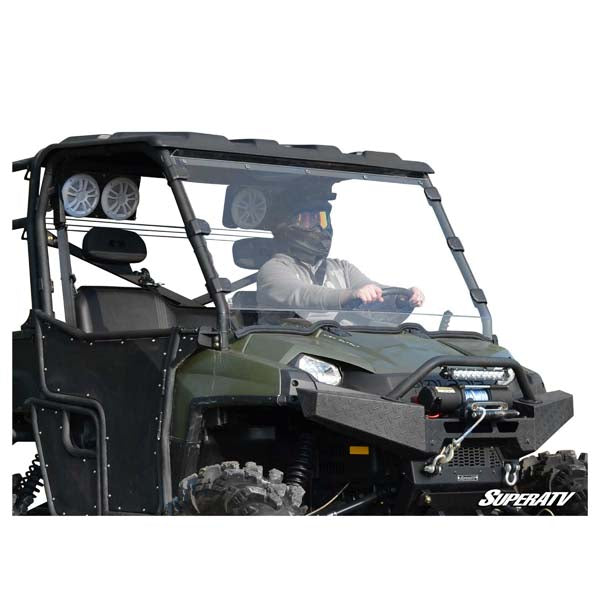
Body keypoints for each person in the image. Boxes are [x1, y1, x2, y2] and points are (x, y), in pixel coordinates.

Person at [257, 201, 424, 312]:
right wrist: (349, 295)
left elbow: (371, 289)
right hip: (286, 347)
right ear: (288, 225)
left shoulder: (341, 268)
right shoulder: (273, 270)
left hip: (336, 344)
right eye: (309, 219)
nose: (320, 227)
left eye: (322, 220)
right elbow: (302, 294)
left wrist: (403, 297)